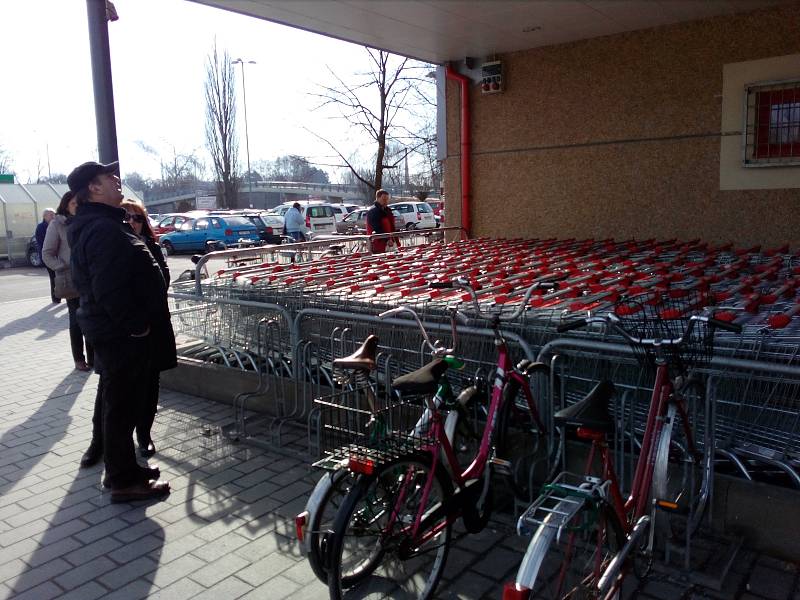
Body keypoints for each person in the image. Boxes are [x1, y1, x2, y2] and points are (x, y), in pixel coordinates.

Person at [67, 160, 171, 503]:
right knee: (121, 406)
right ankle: (123, 479)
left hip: (118, 333)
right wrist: (136, 327)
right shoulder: (102, 229)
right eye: (109, 177)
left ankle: (124, 468)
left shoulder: (104, 223)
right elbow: (109, 288)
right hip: (122, 336)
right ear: (93, 188)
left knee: (123, 405)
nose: (117, 180)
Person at [121, 199, 176, 458]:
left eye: (137, 218)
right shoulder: (114, 247)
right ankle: (112, 437)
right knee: (127, 386)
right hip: (128, 330)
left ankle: (144, 434)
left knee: (151, 383)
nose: (132, 222)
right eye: (127, 218)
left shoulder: (153, 247)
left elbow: (163, 281)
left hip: (155, 325)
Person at [41, 191, 94, 371]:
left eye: (80, 203)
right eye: (73, 203)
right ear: (65, 205)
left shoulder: (88, 220)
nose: (77, 206)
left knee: (93, 317)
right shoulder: (57, 224)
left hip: (92, 277)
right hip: (72, 280)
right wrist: (63, 267)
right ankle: (79, 358)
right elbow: (47, 254)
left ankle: (94, 357)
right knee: (76, 319)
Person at [35, 208, 58, 303]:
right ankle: (56, 298)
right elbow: (42, 242)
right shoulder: (41, 227)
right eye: (50, 215)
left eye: (54, 214)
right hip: (48, 256)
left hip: (57, 255)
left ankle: (62, 294)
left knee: (60, 276)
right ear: (44, 216)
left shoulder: (56, 225)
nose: (53, 216)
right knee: (53, 277)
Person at [366, 189, 397, 254]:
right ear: (378, 198)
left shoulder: (387, 210)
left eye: (387, 199)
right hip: (378, 243)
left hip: (388, 241)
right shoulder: (373, 211)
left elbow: (391, 225)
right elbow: (376, 228)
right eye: (384, 199)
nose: (386, 202)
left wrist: (395, 238)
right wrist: (387, 239)